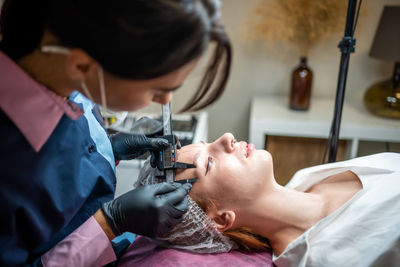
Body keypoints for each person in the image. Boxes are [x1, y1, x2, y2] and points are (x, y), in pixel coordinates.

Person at [0, 0, 231, 265]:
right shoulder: (8, 168)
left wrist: (109, 148)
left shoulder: (63, 77)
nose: (165, 100)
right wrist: (110, 223)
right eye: (157, 88)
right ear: (82, 66)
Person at [131, 133, 400, 267]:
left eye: (208, 142)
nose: (226, 138)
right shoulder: (326, 257)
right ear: (222, 218)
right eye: (209, 163)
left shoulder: (307, 178)